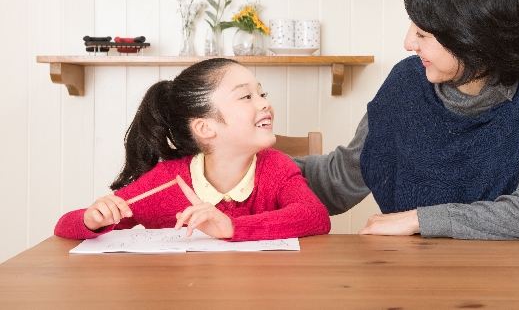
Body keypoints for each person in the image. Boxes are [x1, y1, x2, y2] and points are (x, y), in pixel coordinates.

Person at [295, 0, 519, 240]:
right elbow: (340, 180)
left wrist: (420, 219)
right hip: (414, 279)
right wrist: (256, 164)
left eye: (423, 34)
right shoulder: (407, 82)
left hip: (516, 281)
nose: (408, 43)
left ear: (473, 39)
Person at [55, 58, 330, 241]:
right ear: (205, 128)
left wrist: (231, 227)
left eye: (262, 94)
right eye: (247, 96)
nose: (264, 104)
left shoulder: (277, 167)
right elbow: (64, 226)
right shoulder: (166, 181)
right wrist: (92, 220)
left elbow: (315, 216)